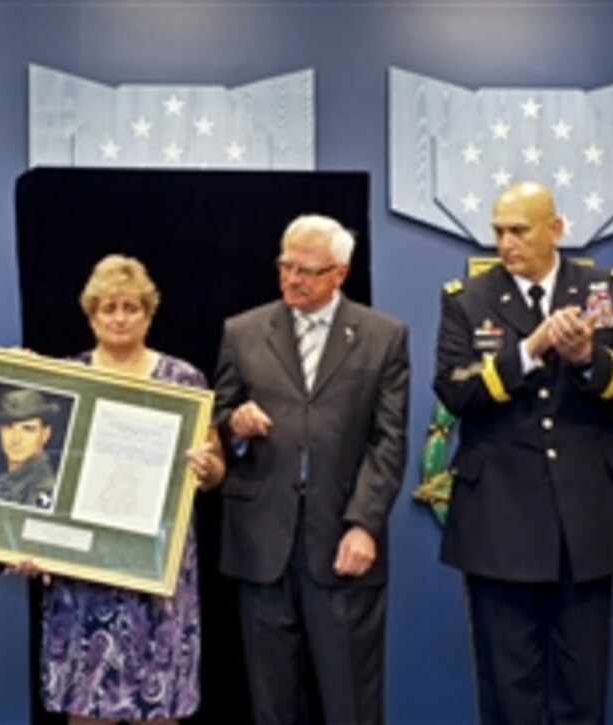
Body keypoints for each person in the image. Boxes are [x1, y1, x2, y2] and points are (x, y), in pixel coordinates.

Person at [433, 180, 613, 723]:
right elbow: (455, 390)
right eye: (498, 232)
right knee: (509, 690)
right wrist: (528, 352)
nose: (505, 243)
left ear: (555, 229)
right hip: (498, 522)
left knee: (583, 687)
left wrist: (586, 359)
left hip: (586, 519)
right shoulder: (468, 299)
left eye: (518, 231)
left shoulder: (605, 289)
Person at [213, 214, 410, 724]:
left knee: (351, 703)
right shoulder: (243, 331)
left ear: (340, 273)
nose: (292, 279)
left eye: (307, 270)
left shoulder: (382, 337)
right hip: (262, 542)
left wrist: (364, 523)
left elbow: (388, 441)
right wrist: (234, 423)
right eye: (285, 265)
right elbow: (217, 419)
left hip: (341, 541)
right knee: (274, 705)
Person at [39, 254, 225, 724]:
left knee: (158, 704)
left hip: (158, 566)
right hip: (81, 569)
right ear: (91, 314)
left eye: (131, 307)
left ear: (149, 313)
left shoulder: (184, 380)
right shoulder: (66, 379)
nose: (119, 318)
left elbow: (217, 468)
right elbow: (44, 476)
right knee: (85, 705)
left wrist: (207, 469)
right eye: (108, 308)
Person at [0, 387, 60, 509]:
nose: (16, 439)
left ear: (45, 434)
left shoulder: (44, 490)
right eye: (8, 427)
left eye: (28, 429)